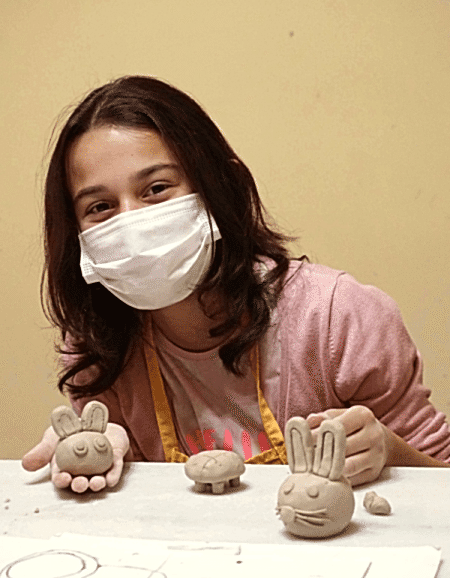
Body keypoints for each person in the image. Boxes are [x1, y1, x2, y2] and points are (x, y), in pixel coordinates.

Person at [22, 75, 450, 493]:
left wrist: (389, 452)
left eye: (156, 188)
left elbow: (440, 476)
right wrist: (103, 462)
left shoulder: (337, 317)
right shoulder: (97, 348)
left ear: (217, 186)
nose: (131, 222)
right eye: (100, 206)